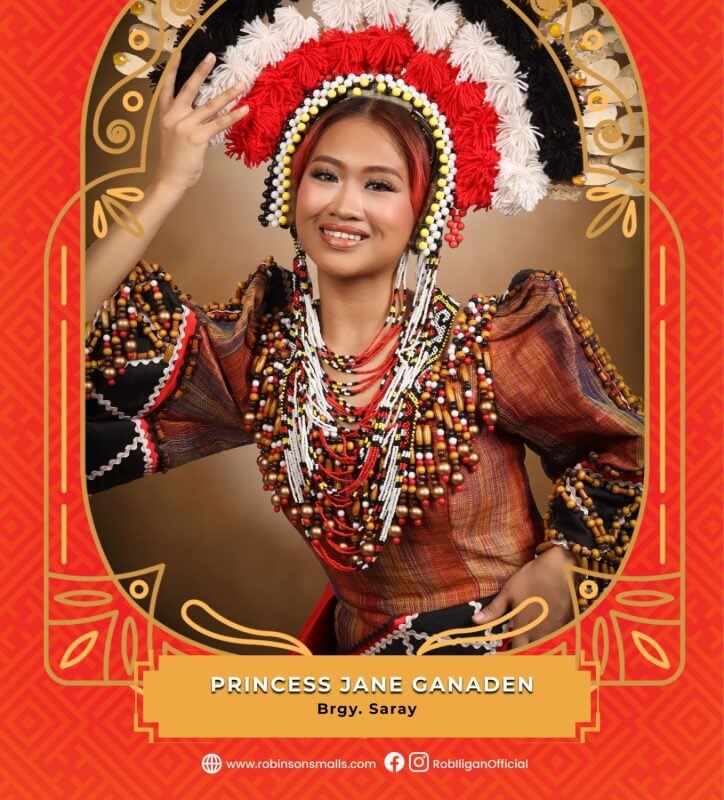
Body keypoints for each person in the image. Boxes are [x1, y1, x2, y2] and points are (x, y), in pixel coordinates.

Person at [85, 47, 644, 656]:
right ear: (292, 190)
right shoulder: (262, 361)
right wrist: (169, 182)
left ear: (421, 210)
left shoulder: (484, 351)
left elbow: (634, 453)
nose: (343, 206)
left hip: (510, 673)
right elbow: (50, 340)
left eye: (379, 185)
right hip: (358, 690)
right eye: (325, 175)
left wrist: (564, 561)